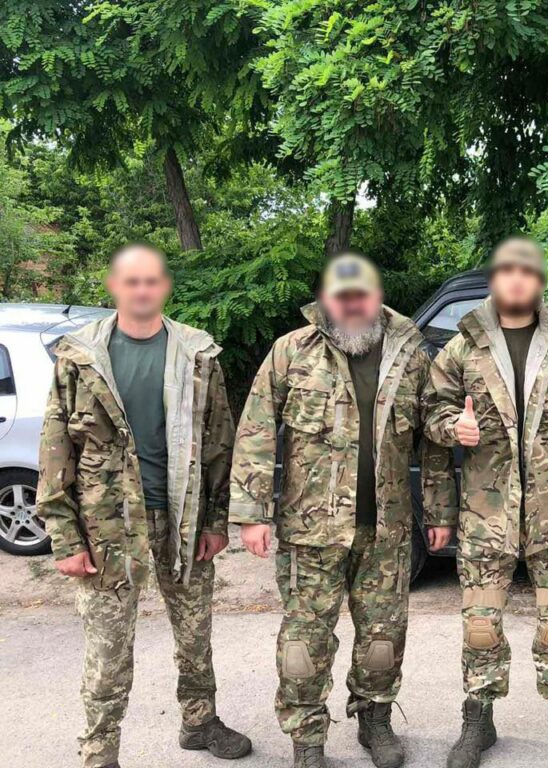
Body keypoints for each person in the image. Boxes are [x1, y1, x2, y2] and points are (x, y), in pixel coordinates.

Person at [229, 253, 455, 768]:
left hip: (387, 530)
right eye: (341, 294)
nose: (352, 303)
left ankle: (374, 719)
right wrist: (251, 512)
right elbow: (256, 432)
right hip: (311, 529)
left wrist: (440, 512)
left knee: (383, 636)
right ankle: (307, 740)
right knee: (304, 645)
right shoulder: (291, 351)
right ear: (325, 298)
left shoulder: (411, 356)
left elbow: (432, 443)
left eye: (362, 293)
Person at [37, 244, 251, 768]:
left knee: (195, 632)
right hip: (107, 527)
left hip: (182, 518)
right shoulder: (80, 357)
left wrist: (215, 520)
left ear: (164, 287)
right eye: (131, 281)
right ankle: (100, 750)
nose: (142, 290)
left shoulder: (197, 355)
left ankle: (199, 721)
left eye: (151, 280)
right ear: (114, 286)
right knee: (109, 646)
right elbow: (55, 449)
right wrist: (65, 536)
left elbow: (219, 442)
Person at [423, 237, 548, 768]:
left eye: (527, 271)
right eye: (507, 270)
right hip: (486, 513)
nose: (516, 280)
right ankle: (477, 721)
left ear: (539, 281)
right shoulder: (462, 347)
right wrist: (452, 427)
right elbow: (430, 415)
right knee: (480, 625)